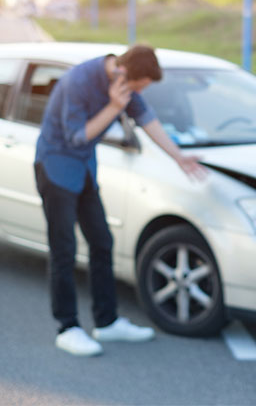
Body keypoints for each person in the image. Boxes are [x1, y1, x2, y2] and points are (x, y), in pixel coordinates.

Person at [34, 44, 207, 357]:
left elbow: (146, 118)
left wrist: (179, 157)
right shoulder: (78, 81)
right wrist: (114, 107)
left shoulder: (125, 81)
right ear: (124, 72)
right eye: (140, 86)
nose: (139, 92)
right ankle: (67, 327)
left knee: (102, 242)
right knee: (64, 250)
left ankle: (107, 321)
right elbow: (77, 136)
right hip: (56, 168)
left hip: (84, 170)